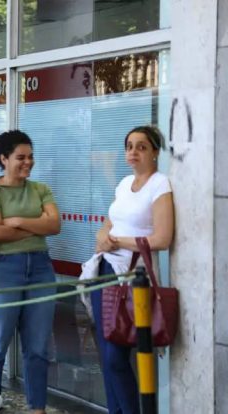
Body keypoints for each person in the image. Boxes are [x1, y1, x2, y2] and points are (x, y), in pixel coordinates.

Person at [0, 130, 61, 414]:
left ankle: (38, 409)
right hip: (3, 270)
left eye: (31, 157)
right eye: (20, 157)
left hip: (40, 268)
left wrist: (17, 221)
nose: (28, 162)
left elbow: (54, 226)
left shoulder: (40, 189)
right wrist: (35, 225)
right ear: (3, 159)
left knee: (37, 348)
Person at [90, 126, 173, 414]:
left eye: (141, 147)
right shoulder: (124, 183)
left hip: (133, 276)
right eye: (129, 146)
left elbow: (162, 238)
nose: (133, 152)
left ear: (155, 153)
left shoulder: (160, 184)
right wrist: (103, 236)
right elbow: (112, 219)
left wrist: (119, 242)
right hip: (106, 270)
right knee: (106, 353)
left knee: (117, 354)